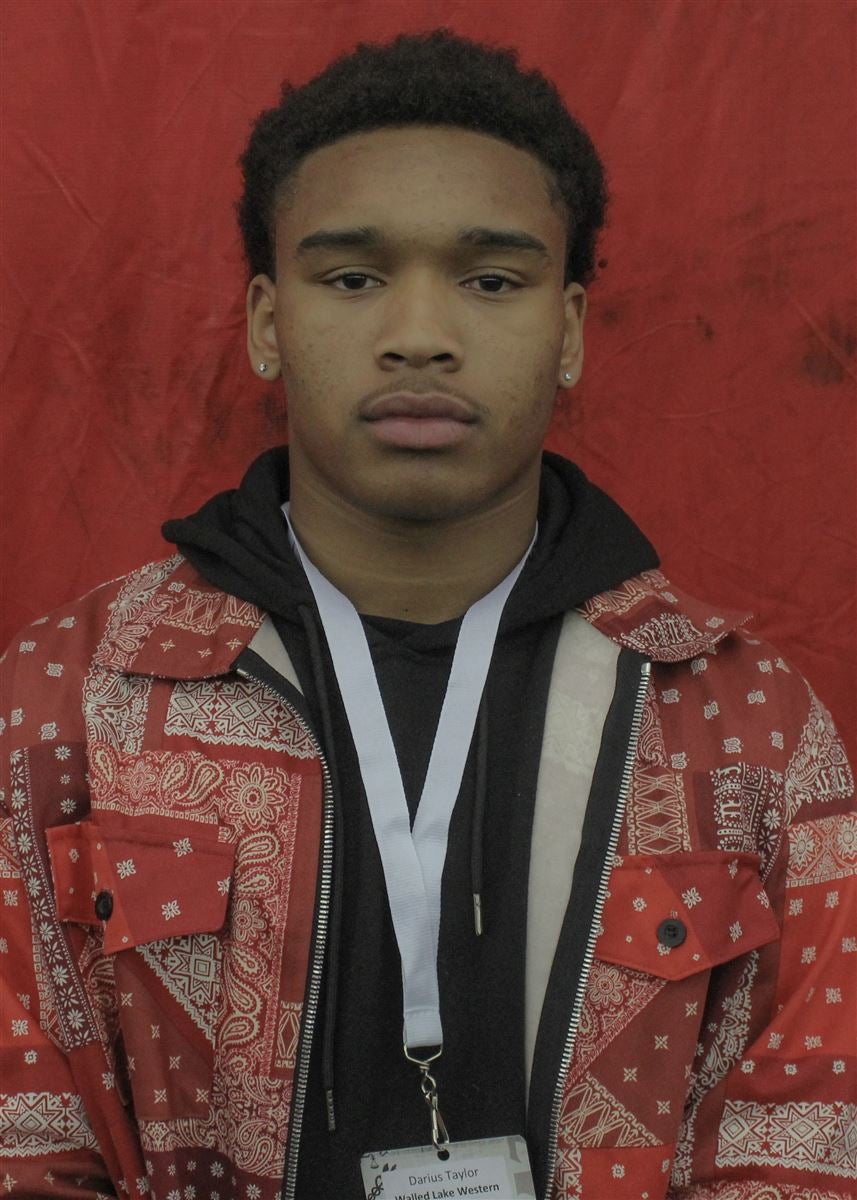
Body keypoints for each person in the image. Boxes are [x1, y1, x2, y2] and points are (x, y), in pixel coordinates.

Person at [0, 27, 853, 1200]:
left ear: (567, 329)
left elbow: (809, 1138)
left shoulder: (745, 725)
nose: (417, 335)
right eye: (351, 278)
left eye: (490, 280)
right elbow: (21, 1130)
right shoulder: (66, 703)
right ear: (265, 321)